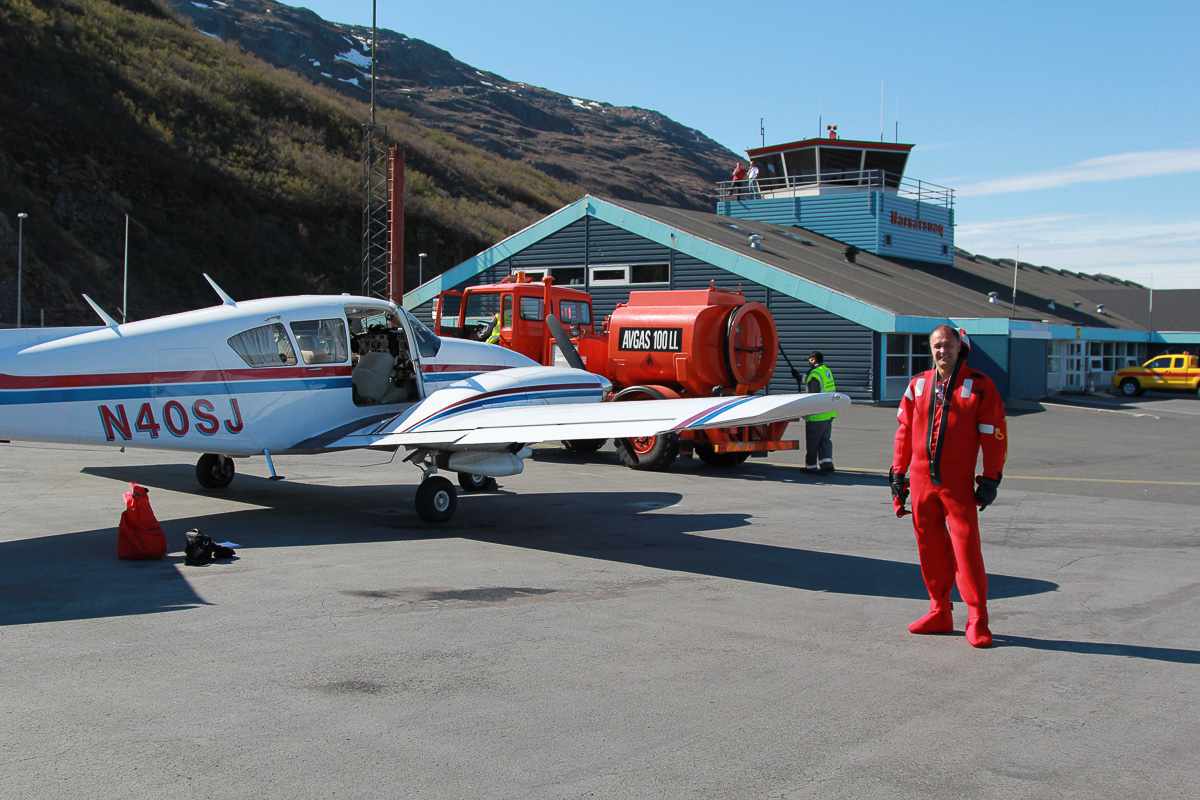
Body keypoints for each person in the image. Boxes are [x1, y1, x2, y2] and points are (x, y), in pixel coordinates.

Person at [890, 325, 1007, 648]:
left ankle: (977, 618)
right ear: (931, 349)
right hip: (921, 482)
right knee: (929, 548)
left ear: (961, 347)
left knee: (966, 549)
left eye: (948, 345)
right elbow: (903, 432)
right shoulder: (917, 385)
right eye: (937, 346)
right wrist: (898, 475)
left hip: (957, 486)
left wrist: (991, 477)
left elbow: (994, 435)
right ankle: (939, 610)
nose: (943, 351)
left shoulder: (981, 387)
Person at [803, 351, 836, 475]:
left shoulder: (814, 374)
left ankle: (810, 466)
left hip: (817, 415)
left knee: (812, 442)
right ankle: (827, 465)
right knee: (825, 440)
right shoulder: (826, 371)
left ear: (813, 360)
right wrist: (798, 377)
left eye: (809, 359)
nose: (808, 362)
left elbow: (813, 394)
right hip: (828, 412)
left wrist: (805, 412)